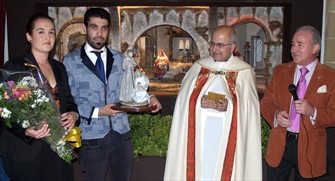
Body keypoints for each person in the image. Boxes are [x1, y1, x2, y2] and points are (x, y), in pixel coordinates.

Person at [62, 8, 162, 180]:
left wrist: (149, 97)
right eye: (94, 27)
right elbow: (68, 100)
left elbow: (133, 87)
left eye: (104, 28)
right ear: (85, 29)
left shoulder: (120, 58)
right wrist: (99, 111)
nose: (99, 33)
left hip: (121, 137)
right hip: (91, 138)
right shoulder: (70, 62)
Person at [164, 25, 262, 180]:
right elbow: (184, 99)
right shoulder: (199, 67)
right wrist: (197, 101)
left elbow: (248, 109)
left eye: (220, 45)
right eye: (212, 44)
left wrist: (230, 106)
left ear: (232, 47)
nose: (215, 49)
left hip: (227, 134)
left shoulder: (244, 72)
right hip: (199, 134)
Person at [260, 25, 335, 180]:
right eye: (293, 45)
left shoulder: (333, 77)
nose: (294, 49)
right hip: (280, 145)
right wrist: (276, 114)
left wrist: (313, 111)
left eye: (300, 45)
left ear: (315, 47)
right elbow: (266, 102)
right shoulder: (280, 71)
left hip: (309, 150)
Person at [0, 13, 79, 181]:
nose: (48, 37)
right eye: (41, 32)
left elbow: (69, 101)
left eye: (51, 32)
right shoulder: (14, 67)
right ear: (29, 36)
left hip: (57, 147)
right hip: (26, 151)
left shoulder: (59, 67)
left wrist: (73, 114)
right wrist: (25, 131)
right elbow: (4, 112)